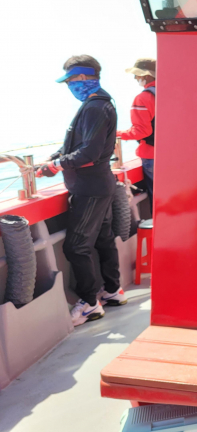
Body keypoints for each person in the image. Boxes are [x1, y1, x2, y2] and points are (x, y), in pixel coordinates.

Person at [35, 55, 127, 326]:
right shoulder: (99, 105)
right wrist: (53, 158)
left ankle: (89, 303)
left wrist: (55, 166)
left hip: (90, 188)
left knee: (76, 247)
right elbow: (77, 145)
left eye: (71, 81)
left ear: (85, 78)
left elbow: (89, 152)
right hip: (100, 183)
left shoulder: (94, 108)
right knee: (103, 239)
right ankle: (112, 290)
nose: (69, 87)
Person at [118, 58, 156, 205]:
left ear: (146, 76)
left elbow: (142, 131)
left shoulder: (143, 98)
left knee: (158, 196)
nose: (135, 78)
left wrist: (117, 134)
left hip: (152, 155)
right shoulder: (171, 93)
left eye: (137, 75)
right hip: (174, 153)